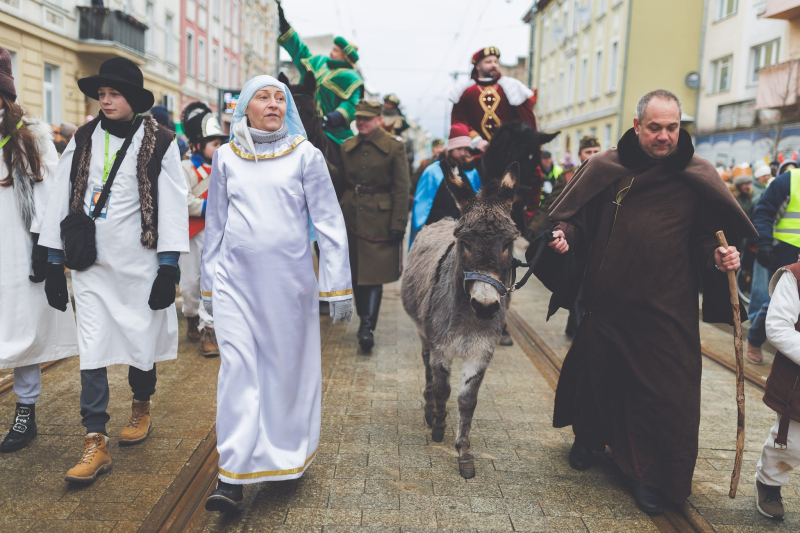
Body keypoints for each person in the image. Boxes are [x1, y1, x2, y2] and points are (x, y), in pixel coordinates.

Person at [538, 89, 754, 514]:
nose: (664, 136)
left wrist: (718, 255)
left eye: (672, 127)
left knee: (667, 396)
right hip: (608, 304)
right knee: (599, 376)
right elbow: (575, 219)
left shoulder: (697, 173)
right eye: (654, 127)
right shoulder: (606, 167)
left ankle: (654, 475)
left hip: (666, 310)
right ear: (637, 126)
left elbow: (705, 237)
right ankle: (588, 440)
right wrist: (565, 237)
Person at [201, 75, 353, 513]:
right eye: (262, 97)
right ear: (244, 108)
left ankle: (286, 458)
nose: (273, 103)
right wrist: (208, 285)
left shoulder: (306, 156)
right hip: (235, 284)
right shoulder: (226, 158)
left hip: (290, 290)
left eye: (280, 98)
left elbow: (329, 222)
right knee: (238, 373)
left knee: (285, 376)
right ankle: (231, 477)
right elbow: (216, 224)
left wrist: (336, 286)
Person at [38, 57, 189, 483]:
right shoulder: (83, 137)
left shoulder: (161, 141)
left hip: (140, 263)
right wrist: (52, 262)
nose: (105, 100)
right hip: (91, 265)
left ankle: (142, 403)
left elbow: (174, 205)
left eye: (114, 94)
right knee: (94, 345)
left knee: (141, 340)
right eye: (101, 94)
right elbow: (59, 197)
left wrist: (168, 269)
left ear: (133, 100)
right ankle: (95, 438)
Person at [0, 46, 78, 453]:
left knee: (24, 329)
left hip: (18, 250)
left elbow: (51, 199)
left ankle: (25, 409)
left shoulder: (32, 136)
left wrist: (45, 252)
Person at [339, 100, 409, 352]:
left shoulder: (394, 147)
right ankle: (363, 322)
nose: (361, 123)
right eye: (358, 119)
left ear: (379, 119)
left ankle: (367, 327)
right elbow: (339, 181)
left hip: (380, 220)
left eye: (367, 119)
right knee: (357, 275)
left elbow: (402, 188)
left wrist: (399, 223)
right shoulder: (347, 146)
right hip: (351, 218)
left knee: (373, 276)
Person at [277, 2, 363, 146]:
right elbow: (301, 52)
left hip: (333, 130)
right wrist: (284, 24)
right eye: (332, 48)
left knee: (348, 155)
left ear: (346, 57)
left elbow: (351, 105)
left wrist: (331, 119)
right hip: (305, 121)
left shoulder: (352, 77)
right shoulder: (319, 62)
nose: (331, 52)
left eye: (336, 51)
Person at [178, 102, 227, 357]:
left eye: (220, 143)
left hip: (217, 234)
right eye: (214, 144)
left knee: (214, 282)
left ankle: (209, 329)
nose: (219, 148)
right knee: (189, 283)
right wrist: (212, 207)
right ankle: (190, 316)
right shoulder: (185, 168)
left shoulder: (226, 167)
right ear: (198, 145)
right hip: (192, 234)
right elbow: (183, 200)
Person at [753, 260, 800, 519]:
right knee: (791, 442)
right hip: (797, 382)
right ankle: (769, 483)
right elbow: (778, 327)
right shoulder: (794, 276)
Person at [747, 164, 800, 365]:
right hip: (786, 252)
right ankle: (754, 338)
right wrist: (764, 244)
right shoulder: (789, 180)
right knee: (779, 302)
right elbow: (763, 213)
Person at [450, 47, 537, 154]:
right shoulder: (465, 92)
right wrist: (476, 141)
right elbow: (459, 122)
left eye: (496, 62)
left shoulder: (512, 88)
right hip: (475, 154)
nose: (493, 65)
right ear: (477, 66)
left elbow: (526, 121)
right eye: (488, 62)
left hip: (508, 154)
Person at [410, 124, 481, 246]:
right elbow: (421, 206)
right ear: (450, 149)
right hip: (435, 236)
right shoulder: (432, 172)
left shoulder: (472, 173)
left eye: (466, 149)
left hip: (464, 237)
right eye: (459, 149)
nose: (463, 153)